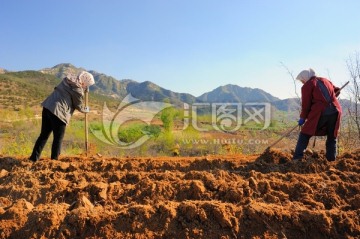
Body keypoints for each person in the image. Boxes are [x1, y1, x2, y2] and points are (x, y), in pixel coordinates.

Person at [29, 71, 95, 162]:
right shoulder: (78, 90)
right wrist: (86, 109)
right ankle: (54, 161)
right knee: (58, 138)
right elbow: (78, 106)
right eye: (88, 85)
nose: (87, 86)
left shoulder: (66, 80)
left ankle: (33, 158)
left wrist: (84, 89)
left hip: (48, 107)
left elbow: (68, 91)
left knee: (43, 135)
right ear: (84, 82)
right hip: (59, 113)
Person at [293, 68, 342, 161]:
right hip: (336, 110)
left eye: (302, 80)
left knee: (304, 133)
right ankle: (331, 160)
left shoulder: (308, 85)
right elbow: (337, 90)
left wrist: (302, 118)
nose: (303, 82)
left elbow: (306, 105)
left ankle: (297, 158)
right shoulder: (325, 80)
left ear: (306, 78)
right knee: (332, 136)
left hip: (321, 112)